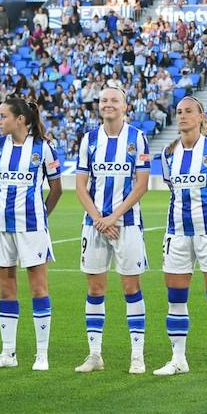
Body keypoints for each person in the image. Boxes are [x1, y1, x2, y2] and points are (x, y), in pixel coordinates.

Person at [155, 95, 207, 377]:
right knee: (176, 297)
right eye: (179, 112)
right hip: (176, 232)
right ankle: (178, 359)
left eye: (189, 111)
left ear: (201, 117)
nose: (182, 116)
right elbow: (173, 190)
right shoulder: (167, 154)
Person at [74, 86, 151, 374]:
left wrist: (114, 217)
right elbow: (81, 185)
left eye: (114, 100)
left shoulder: (138, 138)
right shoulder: (89, 139)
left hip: (126, 225)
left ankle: (137, 355)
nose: (108, 105)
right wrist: (98, 219)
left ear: (125, 105)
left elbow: (141, 184)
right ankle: (95, 355)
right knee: (95, 288)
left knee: (131, 287)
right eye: (104, 100)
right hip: (94, 225)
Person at [0, 96, 63, 371]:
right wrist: (2, 211)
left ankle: (42, 355)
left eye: (3, 116)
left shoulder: (43, 149)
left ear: (20, 119)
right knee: (6, 290)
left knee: (38, 288)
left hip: (32, 227)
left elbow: (56, 189)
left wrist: (39, 217)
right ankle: (8, 353)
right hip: (1, 227)